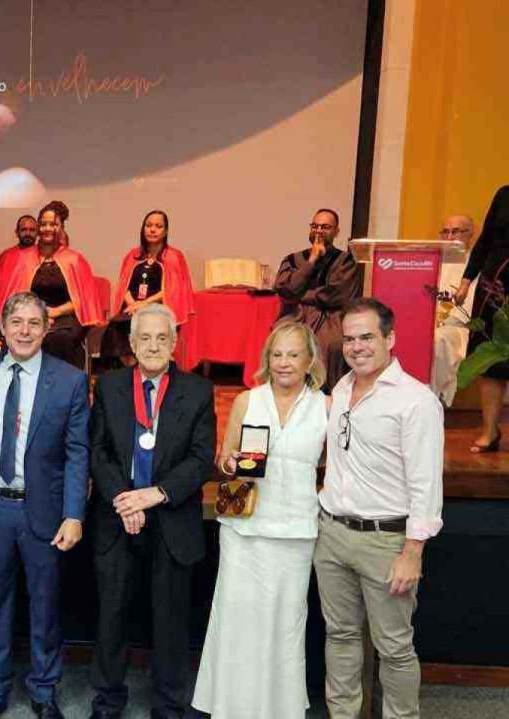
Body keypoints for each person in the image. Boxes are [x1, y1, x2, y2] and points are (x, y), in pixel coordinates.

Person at [0, 292, 89, 719]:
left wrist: (73, 514)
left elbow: (76, 453)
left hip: (44, 511)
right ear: (2, 326)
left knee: (44, 604)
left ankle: (44, 689)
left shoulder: (68, 380)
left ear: (47, 328)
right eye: (17, 322)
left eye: (35, 323)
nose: (25, 331)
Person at [314, 298, 444, 719]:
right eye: (349, 339)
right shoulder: (342, 387)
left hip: (386, 543)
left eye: (367, 337)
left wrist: (412, 551)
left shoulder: (416, 401)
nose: (357, 347)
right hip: (331, 534)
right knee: (340, 636)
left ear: (390, 338)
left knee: (394, 649)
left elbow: (426, 483)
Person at [191, 320, 328, 718]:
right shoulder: (248, 401)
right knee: (238, 621)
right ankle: (230, 708)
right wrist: (231, 462)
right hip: (244, 530)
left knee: (285, 628)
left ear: (309, 360)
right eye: (277, 354)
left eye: (293, 354)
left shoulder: (326, 406)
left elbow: (334, 465)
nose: (284, 362)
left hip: (295, 532)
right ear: (267, 358)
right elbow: (224, 460)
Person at [88, 303, 215, 719]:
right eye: (145, 337)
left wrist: (154, 494)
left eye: (163, 337)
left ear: (175, 343)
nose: (154, 345)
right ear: (131, 343)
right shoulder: (109, 387)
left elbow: (200, 461)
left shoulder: (198, 391)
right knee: (111, 617)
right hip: (117, 517)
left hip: (171, 520)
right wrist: (125, 499)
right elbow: (98, 451)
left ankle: (169, 705)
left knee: (171, 620)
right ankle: (107, 701)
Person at [2, 201, 103, 369]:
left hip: (64, 318)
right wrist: (38, 314)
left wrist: (55, 311)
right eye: (43, 224)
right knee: (17, 337)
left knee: (60, 340)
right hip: (30, 316)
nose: (47, 228)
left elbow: (82, 301)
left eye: (53, 224)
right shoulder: (23, 258)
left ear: (61, 228)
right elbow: (16, 296)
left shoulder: (75, 259)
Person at [275, 208, 362, 390]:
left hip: (330, 318)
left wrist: (301, 294)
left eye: (325, 227)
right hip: (295, 316)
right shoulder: (292, 259)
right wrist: (312, 260)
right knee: (282, 338)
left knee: (332, 344)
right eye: (315, 226)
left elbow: (337, 294)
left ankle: (327, 395)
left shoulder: (346, 261)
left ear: (337, 231)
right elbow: (285, 290)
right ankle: (286, 393)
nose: (319, 231)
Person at [454, 186, 509, 451]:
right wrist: (466, 282)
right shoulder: (503, 194)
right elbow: (485, 240)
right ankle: (489, 431)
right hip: (492, 289)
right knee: (490, 361)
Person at [103, 210, 195, 368]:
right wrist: (132, 304)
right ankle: (129, 369)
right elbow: (124, 285)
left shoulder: (174, 256)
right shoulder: (133, 255)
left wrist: (143, 304)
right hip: (132, 308)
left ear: (165, 231)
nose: (152, 230)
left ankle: (143, 370)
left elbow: (172, 290)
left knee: (140, 324)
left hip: (160, 308)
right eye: (149, 225)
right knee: (116, 326)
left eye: (158, 226)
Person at [432, 214, 477, 406]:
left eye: (456, 232)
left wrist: (443, 320)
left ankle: (432, 400)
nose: (450, 237)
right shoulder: (432, 262)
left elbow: (471, 306)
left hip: (459, 328)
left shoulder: (476, 265)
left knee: (438, 339)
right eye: (446, 232)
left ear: (471, 235)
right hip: (429, 323)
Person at [0, 215, 39, 282]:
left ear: (37, 233)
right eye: (23, 230)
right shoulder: (6, 256)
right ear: (17, 232)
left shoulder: (42, 255)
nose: (28, 233)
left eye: (32, 230)